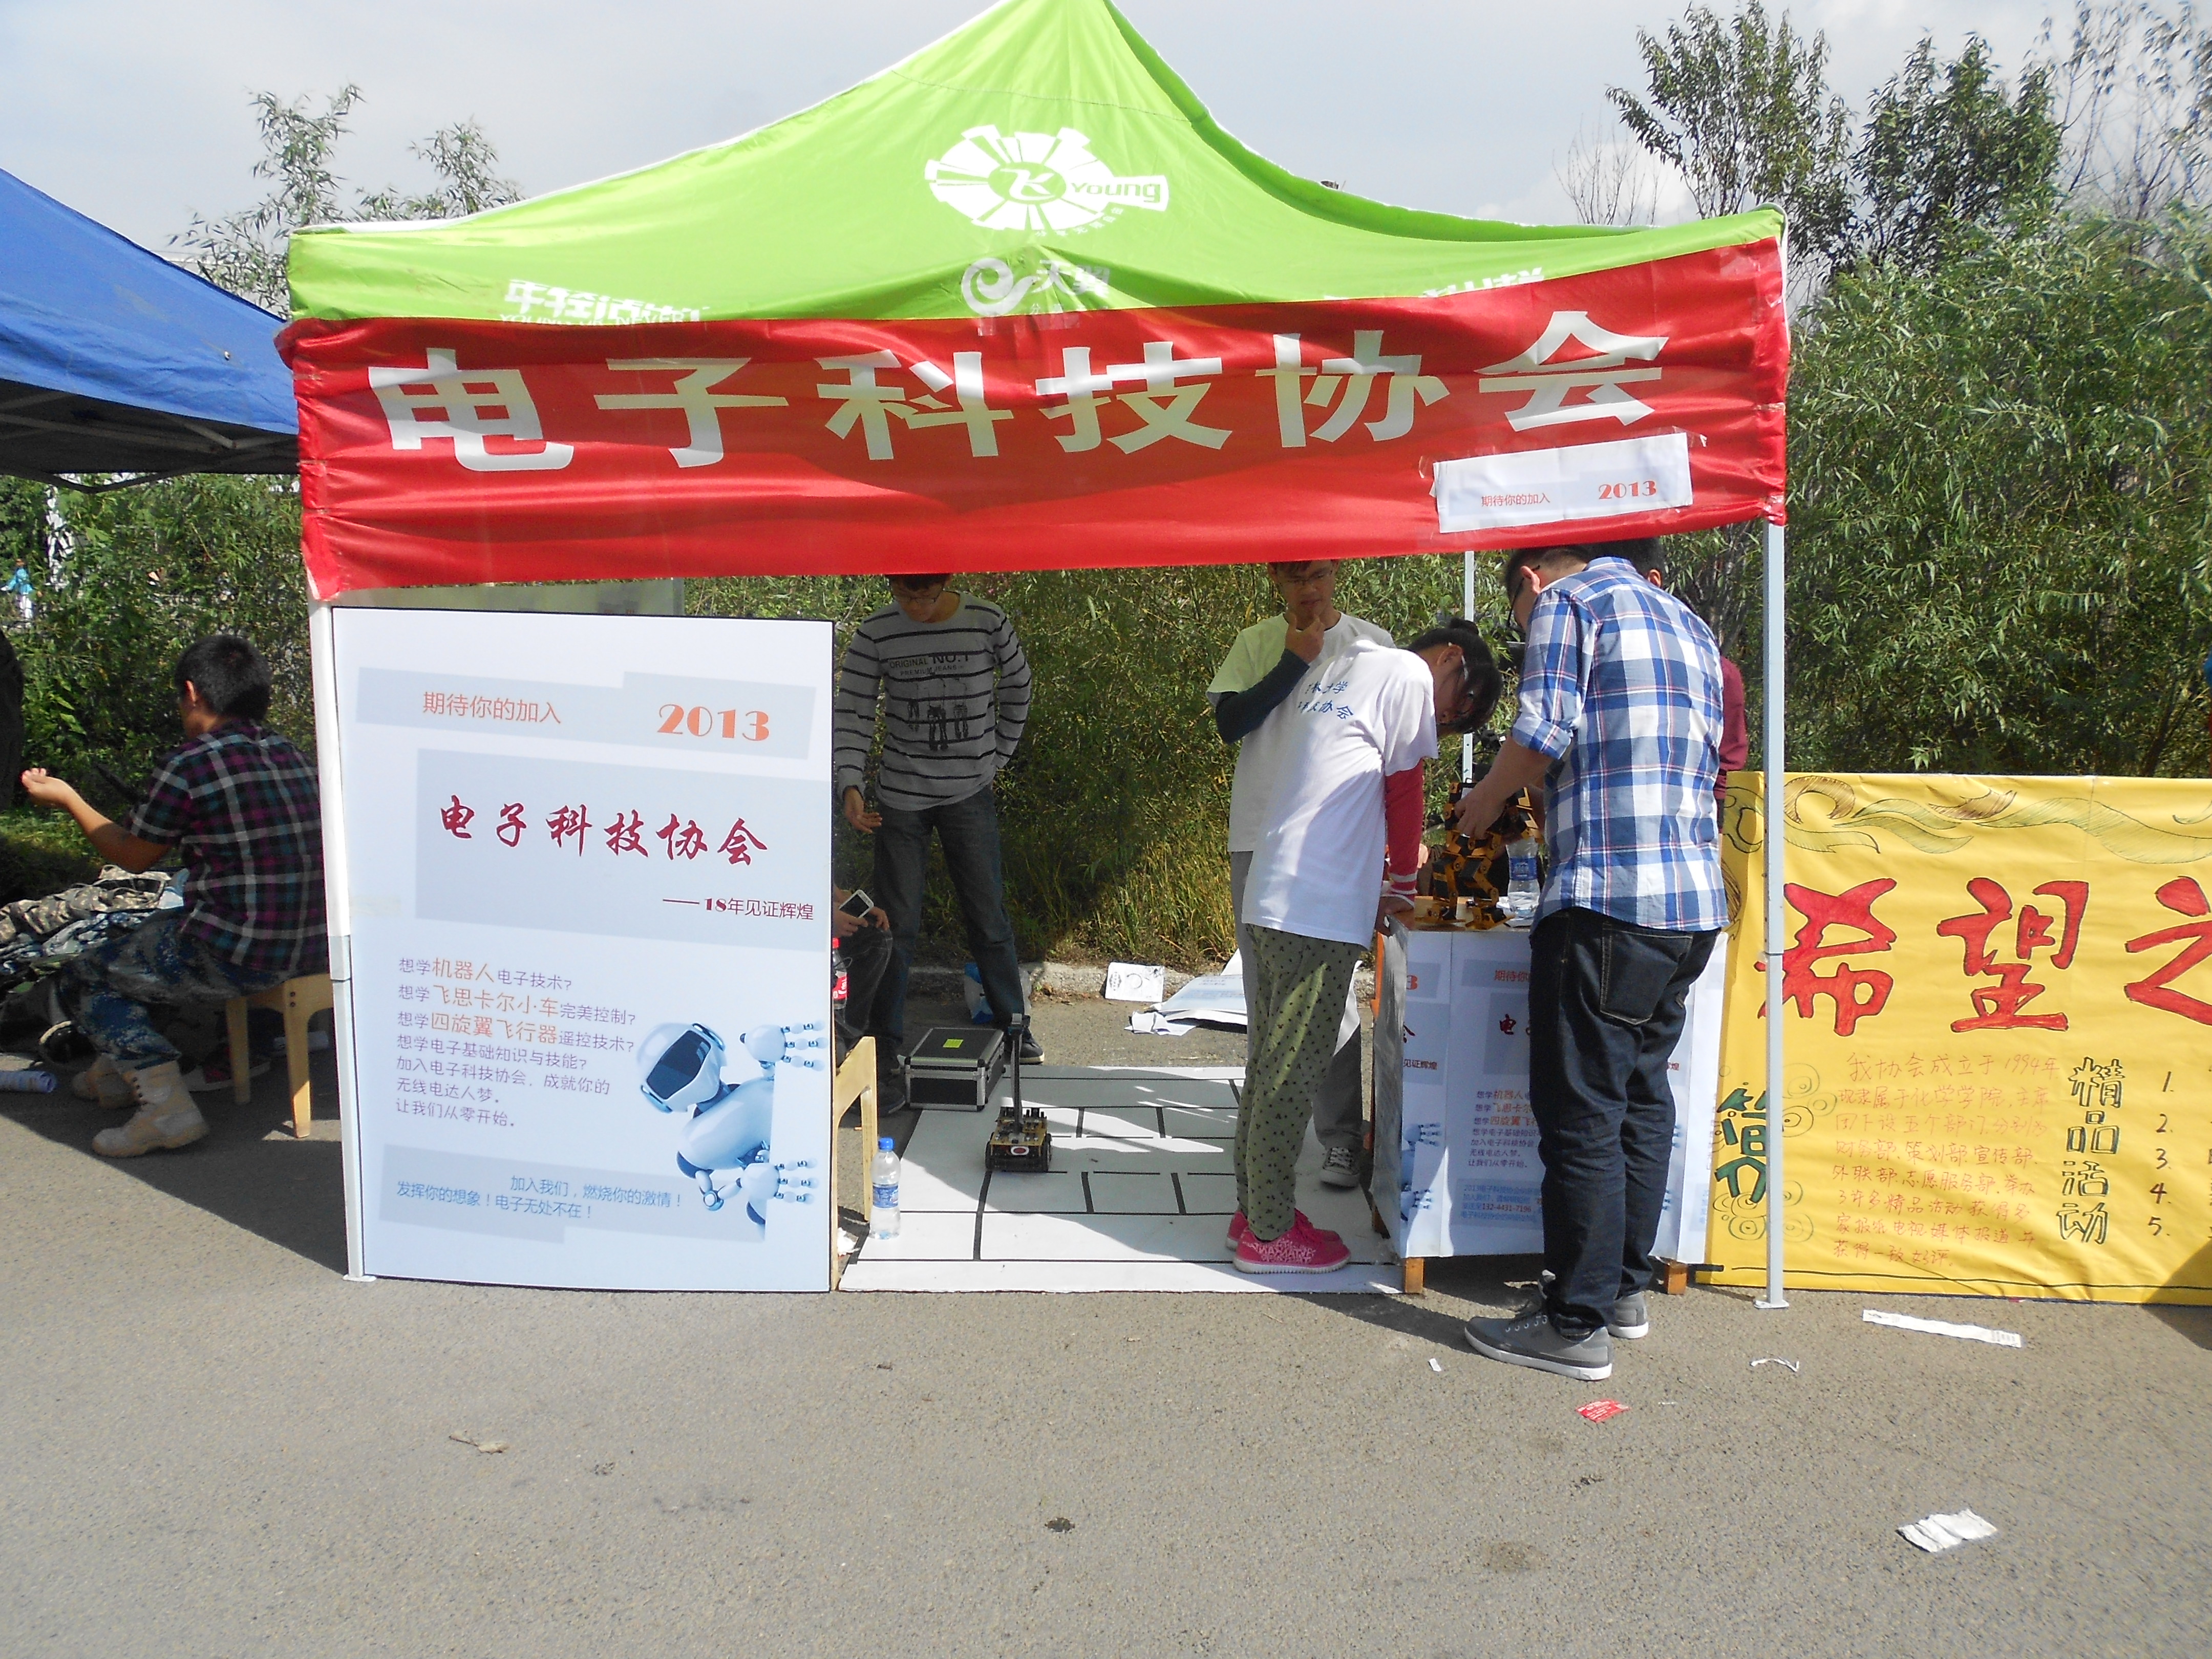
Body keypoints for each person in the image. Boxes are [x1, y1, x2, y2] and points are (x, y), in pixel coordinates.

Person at [1451, 537, 1725, 1379]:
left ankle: (1574, 1324)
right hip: (1690, 907)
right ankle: (1621, 1292)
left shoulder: (1570, 604)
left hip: (1609, 900)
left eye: (1518, 616)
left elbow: (1540, 734)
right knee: (1641, 1096)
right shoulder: (1688, 623)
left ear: (1532, 580)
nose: (1525, 627)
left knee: (1582, 1113)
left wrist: (1483, 801)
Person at [1231, 622, 1500, 1273]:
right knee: (1293, 1073)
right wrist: (1405, 881)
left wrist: (1376, 877)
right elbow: (1404, 790)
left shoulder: (1348, 663)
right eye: (1461, 704)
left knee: (1269, 1065)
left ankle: (1255, 1213)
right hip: (1315, 910)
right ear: (1451, 658)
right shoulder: (1406, 674)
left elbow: (1340, 791)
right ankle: (1270, 1235)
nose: (1447, 720)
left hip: (1276, 890)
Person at [19, 635, 326, 1156]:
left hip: (239, 954)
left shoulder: (191, 764)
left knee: (84, 975)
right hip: (313, 947)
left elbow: (134, 856)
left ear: (192, 692)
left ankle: (166, 1109)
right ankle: (116, 1075)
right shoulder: (290, 753)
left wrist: (69, 798)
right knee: (143, 939)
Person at [1206, 560, 1392, 1189]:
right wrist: (1293, 662)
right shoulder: (1257, 640)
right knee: (1265, 995)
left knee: (1331, 994)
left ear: (1336, 572)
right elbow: (1230, 723)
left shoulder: (1373, 644)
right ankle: (1264, 1146)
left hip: (1338, 842)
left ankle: (1341, 1138)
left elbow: (1394, 749)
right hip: (1259, 835)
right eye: (1293, 578)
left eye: (1317, 575)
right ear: (1274, 581)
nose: (1308, 589)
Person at [834, 573, 1037, 1090]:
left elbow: (1019, 684)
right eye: (903, 595)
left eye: (923, 596)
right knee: (896, 924)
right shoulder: (877, 631)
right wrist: (850, 783)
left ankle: (1014, 1024)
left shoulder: (986, 620)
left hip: (970, 790)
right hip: (901, 796)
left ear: (945, 582)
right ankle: (884, 1039)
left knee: (988, 915)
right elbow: (853, 710)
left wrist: (998, 756)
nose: (914, 607)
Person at [1619, 544, 1747, 811]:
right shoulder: (1584, 653)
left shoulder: (1716, 668)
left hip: (1692, 821)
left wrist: (1720, 820)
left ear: (1653, 581)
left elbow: (1728, 760)